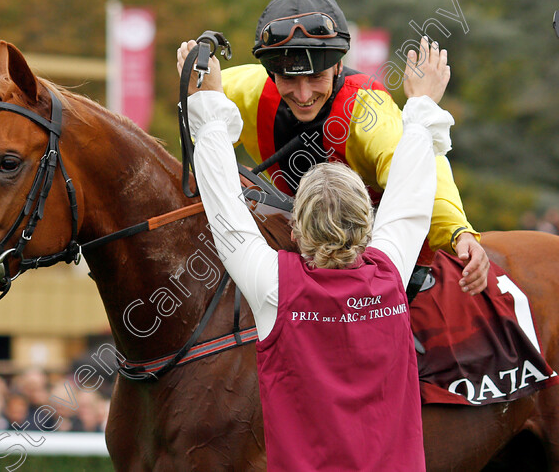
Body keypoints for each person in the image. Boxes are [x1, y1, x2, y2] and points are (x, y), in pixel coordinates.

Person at [176, 30, 454, 470]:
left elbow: (226, 212)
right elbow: (410, 192)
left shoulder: (274, 287)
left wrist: (208, 105)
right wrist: (422, 105)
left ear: (298, 227)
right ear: (368, 221)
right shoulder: (390, 272)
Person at [219, 0, 488, 295]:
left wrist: (458, 231)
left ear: (337, 65)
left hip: (378, 246)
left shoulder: (367, 108)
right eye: (289, 79)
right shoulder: (249, 89)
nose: (303, 95)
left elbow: (422, 167)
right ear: (270, 72)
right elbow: (201, 102)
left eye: (316, 77)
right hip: (297, 235)